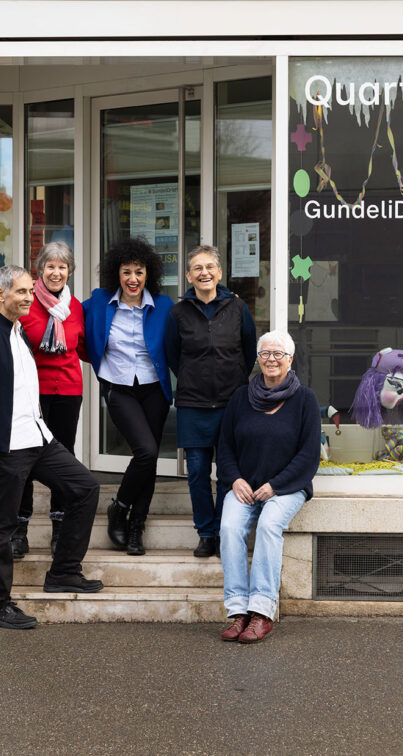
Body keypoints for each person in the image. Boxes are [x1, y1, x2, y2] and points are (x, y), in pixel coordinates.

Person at [0, 264, 103, 630]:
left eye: (28, 291)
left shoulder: (19, 332)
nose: (27, 298)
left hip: (39, 438)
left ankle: (65, 571)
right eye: (20, 292)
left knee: (85, 488)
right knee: (1, 525)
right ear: (1, 293)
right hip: (6, 446)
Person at [216, 330, 320, 644]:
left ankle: (262, 612)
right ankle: (237, 612)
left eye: (278, 354)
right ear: (258, 359)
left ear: (290, 359)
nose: (271, 359)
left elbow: (309, 454)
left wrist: (276, 485)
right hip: (245, 486)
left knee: (269, 525)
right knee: (230, 526)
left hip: (287, 487)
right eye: (265, 354)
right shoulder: (240, 397)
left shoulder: (304, 399)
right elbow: (225, 447)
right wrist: (235, 479)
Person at [82, 238, 173, 556]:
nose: (133, 279)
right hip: (118, 387)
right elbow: (72, 328)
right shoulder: (98, 302)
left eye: (139, 271)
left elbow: (180, 342)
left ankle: (136, 527)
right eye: (126, 272)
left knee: (148, 461)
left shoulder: (163, 305)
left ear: (149, 273)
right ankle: (119, 507)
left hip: (154, 389)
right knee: (146, 452)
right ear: (115, 274)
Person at [164, 245, 256, 558]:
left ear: (218, 272)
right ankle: (207, 533)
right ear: (189, 275)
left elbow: (248, 350)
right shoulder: (178, 313)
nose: (204, 273)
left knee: (229, 473)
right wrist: (193, 377)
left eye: (209, 267)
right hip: (193, 404)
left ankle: (226, 529)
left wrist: (234, 381)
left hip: (232, 404)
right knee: (198, 472)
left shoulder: (237, 308)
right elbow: (172, 355)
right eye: (197, 268)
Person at [13, 242, 86, 559]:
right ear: (39, 270)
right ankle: (19, 530)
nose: (57, 272)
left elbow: (84, 348)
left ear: (69, 272)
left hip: (68, 391)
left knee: (63, 461)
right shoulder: (26, 304)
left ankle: (59, 528)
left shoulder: (77, 308)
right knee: (26, 459)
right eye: (51, 266)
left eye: (63, 267)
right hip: (33, 392)